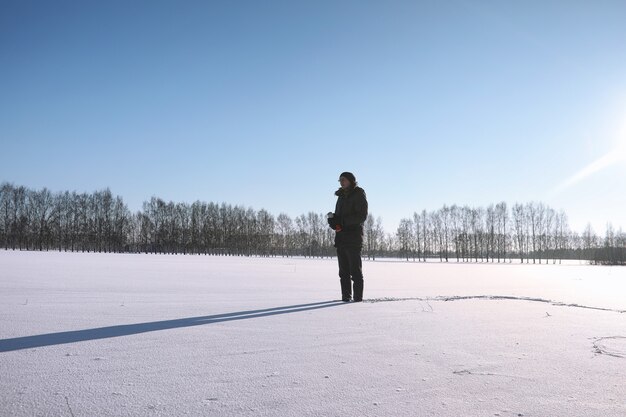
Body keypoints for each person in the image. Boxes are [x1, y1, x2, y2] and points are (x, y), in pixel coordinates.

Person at [327, 172, 368, 302]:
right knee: (343, 272)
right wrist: (333, 221)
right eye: (340, 180)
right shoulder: (340, 196)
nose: (341, 182)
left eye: (344, 180)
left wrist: (343, 222)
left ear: (351, 181)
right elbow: (340, 218)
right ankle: (345, 297)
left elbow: (361, 216)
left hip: (353, 238)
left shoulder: (358, 194)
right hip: (341, 238)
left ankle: (357, 299)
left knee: (355, 271)